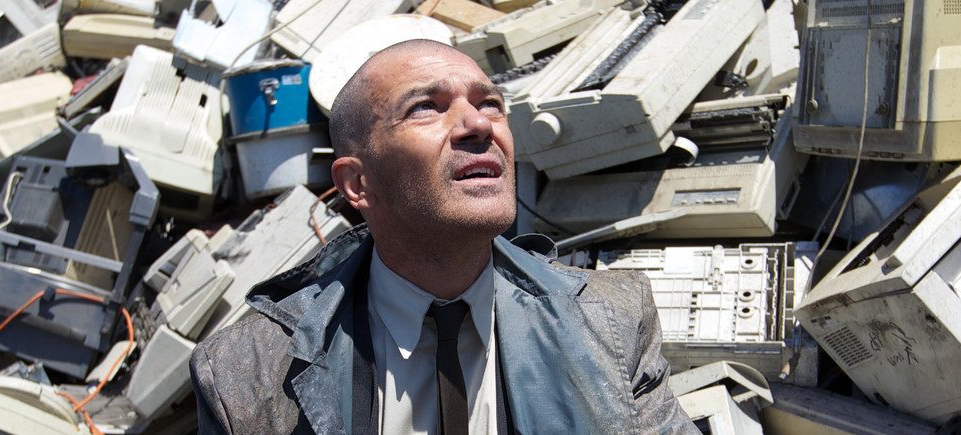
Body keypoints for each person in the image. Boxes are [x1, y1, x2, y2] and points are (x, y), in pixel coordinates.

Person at [189, 39, 696, 434]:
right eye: (426, 108)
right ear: (357, 183)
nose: (477, 124)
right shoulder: (246, 371)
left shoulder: (611, 318)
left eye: (490, 103)